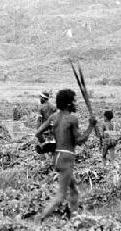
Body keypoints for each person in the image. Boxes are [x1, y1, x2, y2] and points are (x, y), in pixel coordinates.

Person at [35, 89, 97, 222]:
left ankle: (75, 217)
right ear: (69, 103)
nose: (76, 102)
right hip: (66, 159)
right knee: (61, 195)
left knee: (74, 188)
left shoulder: (54, 117)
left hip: (57, 157)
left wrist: (47, 145)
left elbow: (38, 132)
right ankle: (39, 219)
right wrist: (91, 126)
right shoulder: (72, 119)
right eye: (74, 100)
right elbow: (79, 141)